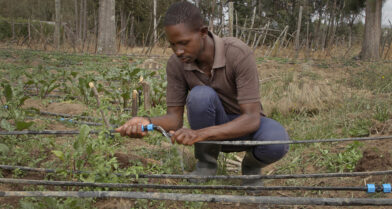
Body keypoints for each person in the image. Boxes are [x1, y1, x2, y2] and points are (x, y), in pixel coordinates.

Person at [116, 2, 289, 186]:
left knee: (277, 140)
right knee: (200, 96)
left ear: (203, 32)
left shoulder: (237, 53)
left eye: (184, 43)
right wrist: (147, 122)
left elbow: (252, 118)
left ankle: (251, 166)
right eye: (173, 45)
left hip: (245, 128)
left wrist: (200, 134)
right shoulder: (176, 64)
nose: (178, 51)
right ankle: (207, 163)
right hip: (212, 129)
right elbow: (174, 119)